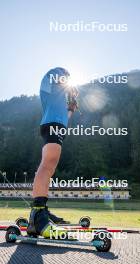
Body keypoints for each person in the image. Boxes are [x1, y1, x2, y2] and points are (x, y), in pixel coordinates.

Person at [27, 67, 78, 238]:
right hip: (52, 124)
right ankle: (38, 216)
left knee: (49, 167)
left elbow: (65, 115)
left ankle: (41, 213)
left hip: (58, 126)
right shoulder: (53, 77)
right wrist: (70, 86)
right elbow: (56, 79)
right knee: (47, 165)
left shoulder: (61, 98)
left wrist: (71, 108)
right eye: (67, 77)